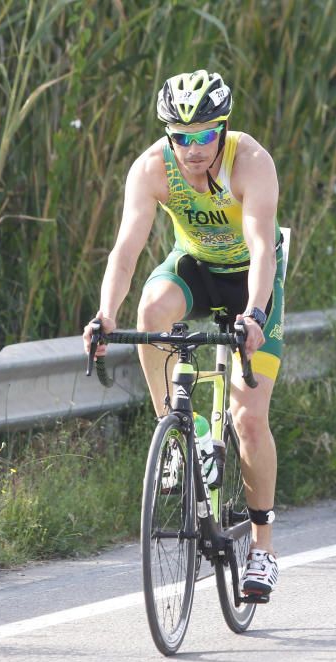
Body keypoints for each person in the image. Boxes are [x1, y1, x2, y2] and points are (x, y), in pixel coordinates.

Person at [82, 69, 284, 601]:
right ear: (167, 135)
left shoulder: (252, 163)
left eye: (204, 136)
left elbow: (263, 247)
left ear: (223, 128)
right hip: (194, 266)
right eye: (180, 137)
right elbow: (126, 251)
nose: (193, 150)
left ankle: (263, 549)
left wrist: (257, 316)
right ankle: (179, 429)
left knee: (249, 420)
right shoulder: (152, 168)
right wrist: (105, 315)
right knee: (151, 309)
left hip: (250, 280)